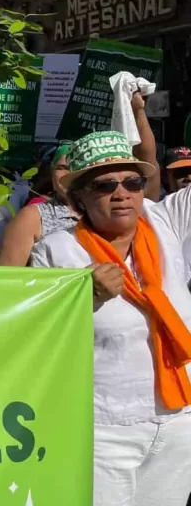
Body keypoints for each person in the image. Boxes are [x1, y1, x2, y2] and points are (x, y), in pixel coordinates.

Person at [30, 130, 191, 504]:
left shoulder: (165, 224)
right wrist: (82, 299)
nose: (122, 194)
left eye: (132, 182)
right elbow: (37, 334)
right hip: (103, 429)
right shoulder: (56, 251)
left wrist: (137, 110)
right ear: (79, 199)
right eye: (105, 185)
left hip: (179, 420)